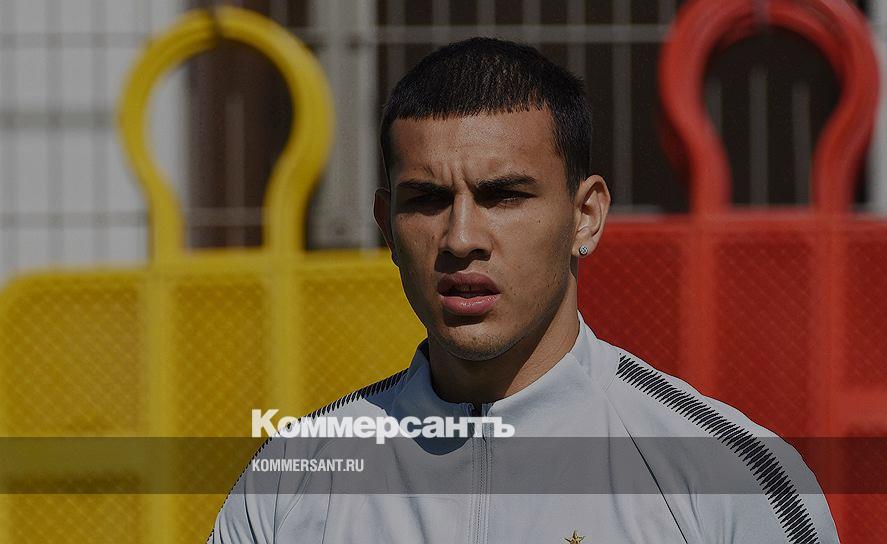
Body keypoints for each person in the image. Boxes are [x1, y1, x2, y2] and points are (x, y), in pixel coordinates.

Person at [208, 37, 838, 543]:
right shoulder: (291, 481)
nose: (461, 237)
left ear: (584, 216)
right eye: (426, 200)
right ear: (386, 225)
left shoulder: (726, 474)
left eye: (504, 195)